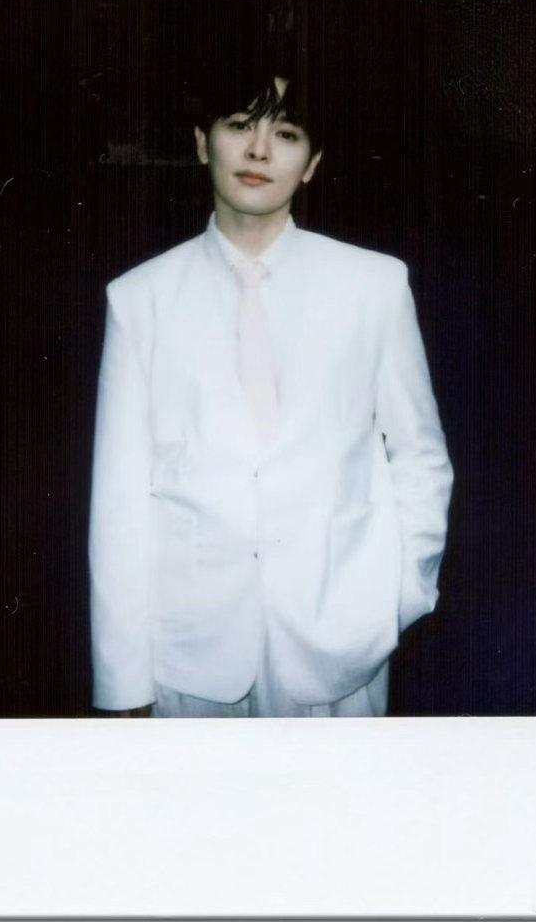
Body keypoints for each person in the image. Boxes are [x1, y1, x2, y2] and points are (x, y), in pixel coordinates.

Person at [88, 65, 453, 717]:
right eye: (239, 126)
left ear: (311, 164)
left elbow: (420, 455)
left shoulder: (374, 286)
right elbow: (119, 500)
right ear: (202, 144)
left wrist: (402, 595)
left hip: (340, 639)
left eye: (285, 134)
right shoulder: (139, 298)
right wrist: (122, 682)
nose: (259, 150)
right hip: (189, 648)